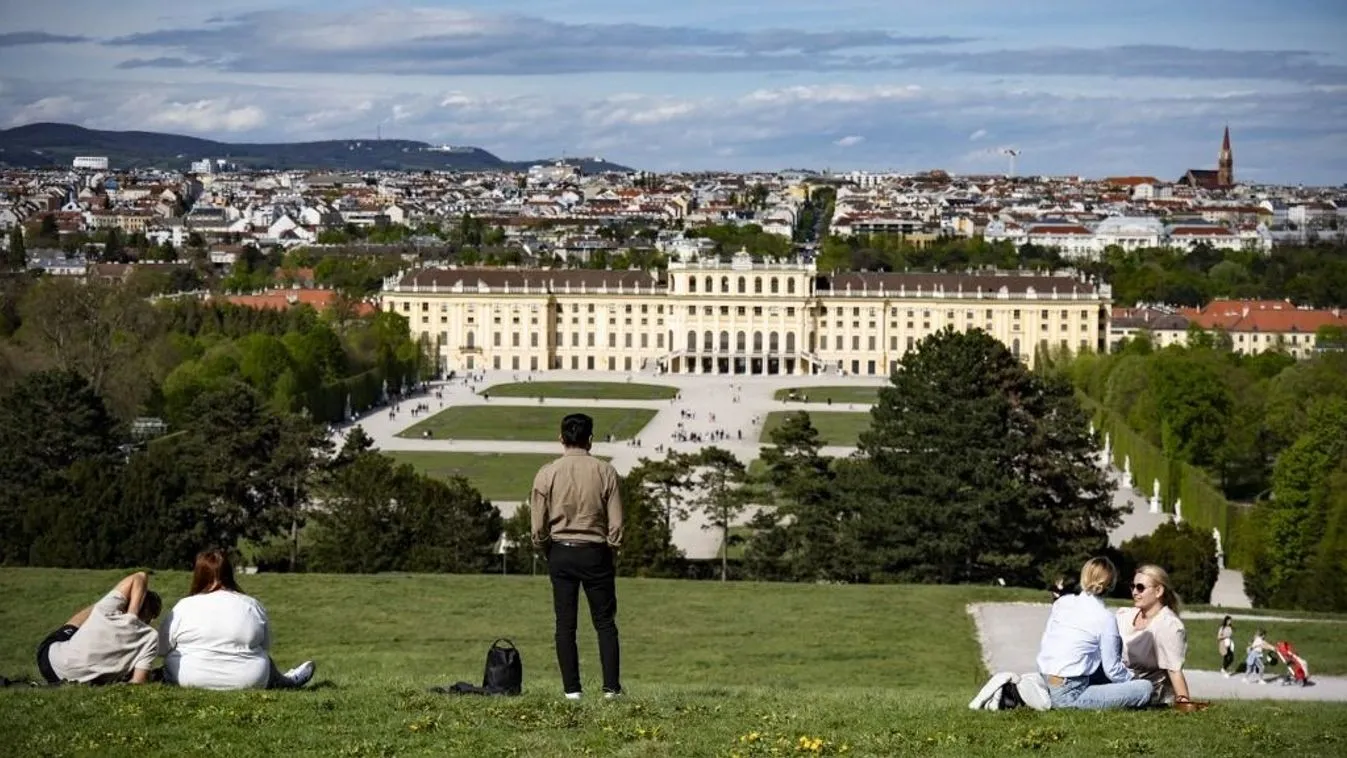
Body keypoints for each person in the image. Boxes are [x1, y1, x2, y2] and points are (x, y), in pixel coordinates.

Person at [531, 413, 624, 701]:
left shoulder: (547, 473)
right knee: (605, 623)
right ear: (591, 440)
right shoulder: (605, 471)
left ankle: (572, 690)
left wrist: (545, 547)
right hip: (595, 550)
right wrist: (611, 548)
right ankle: (611, 689)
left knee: (565, 624)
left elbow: (537, 525)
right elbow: (616, 523)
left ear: (561, 438)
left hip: (561, 550)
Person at [158, 549, 316, 690]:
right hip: (249, 679)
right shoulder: (251, 605)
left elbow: (163, 648)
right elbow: (265, 645)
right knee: (265, 659)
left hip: (188, 678)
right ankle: (288, 681)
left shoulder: (184, 606)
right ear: (229, 573)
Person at [1035, 557, 1153, 710]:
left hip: (1044, 680)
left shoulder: (1062, 602)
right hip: (1069, 694)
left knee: (1098, 663)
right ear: (1110, 585)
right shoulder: (1105, 618)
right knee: (1145, 688)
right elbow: (1112, 670)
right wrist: (1132, 679)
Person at [36, 571, 161, 685]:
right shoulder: (150, 637)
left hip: (51, 662)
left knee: (94, 610)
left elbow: (140, 576)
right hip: (79, 682)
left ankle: (110, 601)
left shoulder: (106, 610)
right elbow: (138, 681)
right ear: (151, 617)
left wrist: (131, 613)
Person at [1116, 564, 1192, 706]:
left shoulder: (1168, 625)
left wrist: (1184, 702)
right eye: (1132, 587)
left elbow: (1174, 670)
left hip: (1145, 692)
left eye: (1140, 587)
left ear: (1158, 591)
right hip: (1117, 682)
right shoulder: (1124, 615)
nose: (1134, 592)